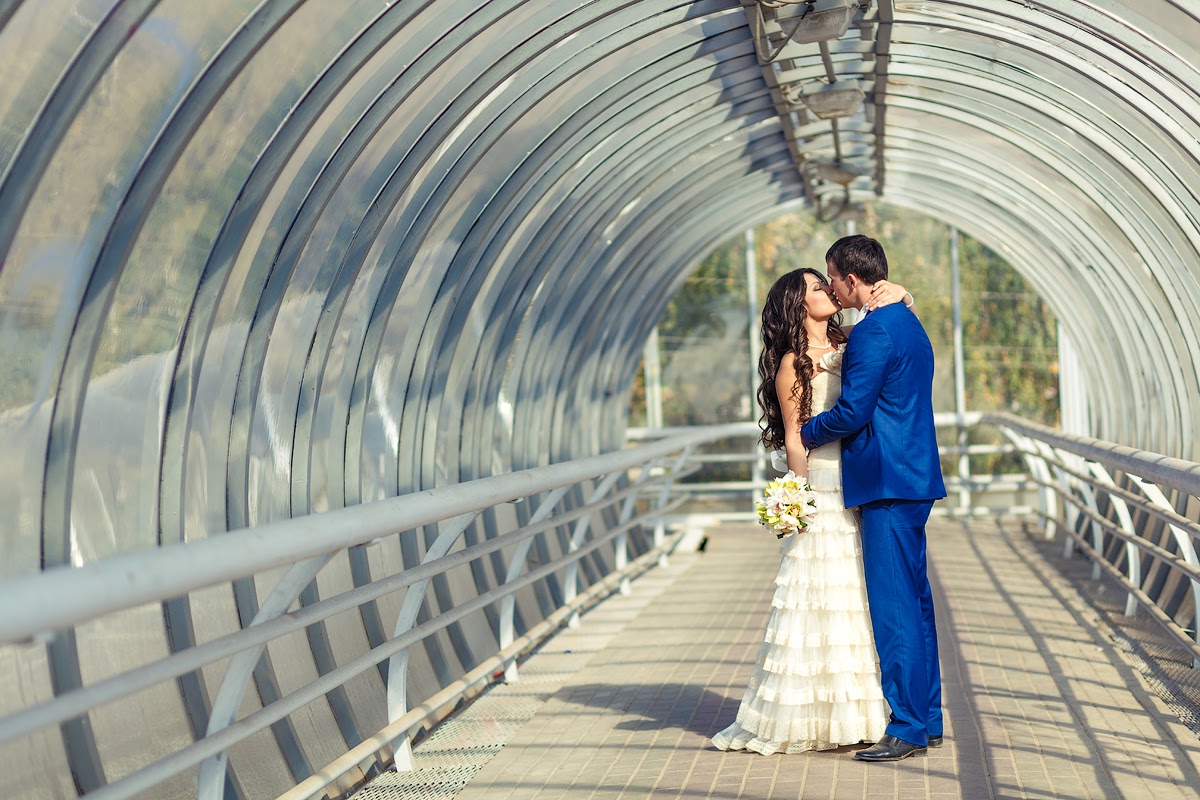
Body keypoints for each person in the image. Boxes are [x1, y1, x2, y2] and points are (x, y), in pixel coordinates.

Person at [711, 265, 909, 755]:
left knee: (856, 600)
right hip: (822, 487)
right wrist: (799, 497)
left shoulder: (853, 342)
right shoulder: (792, 364)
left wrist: (904, 296)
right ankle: (811, 716)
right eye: (816, 287)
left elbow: (889, 345)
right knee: (819, 595)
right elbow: (797, 439)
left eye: (828, 282)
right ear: (798, 305)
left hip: (860, 480)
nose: (827, 288)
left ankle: (858, 712)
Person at [801, 234, 947, 762]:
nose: (832, 287)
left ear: (853, 280)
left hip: (886, 481)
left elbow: (853, 412)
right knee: (917, 604)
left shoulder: (872, 333)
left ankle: (907, 726)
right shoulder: (909, 322)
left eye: (833, 277)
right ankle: (927, 718)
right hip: (912, 477)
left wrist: (803, 432)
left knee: (895, 610)